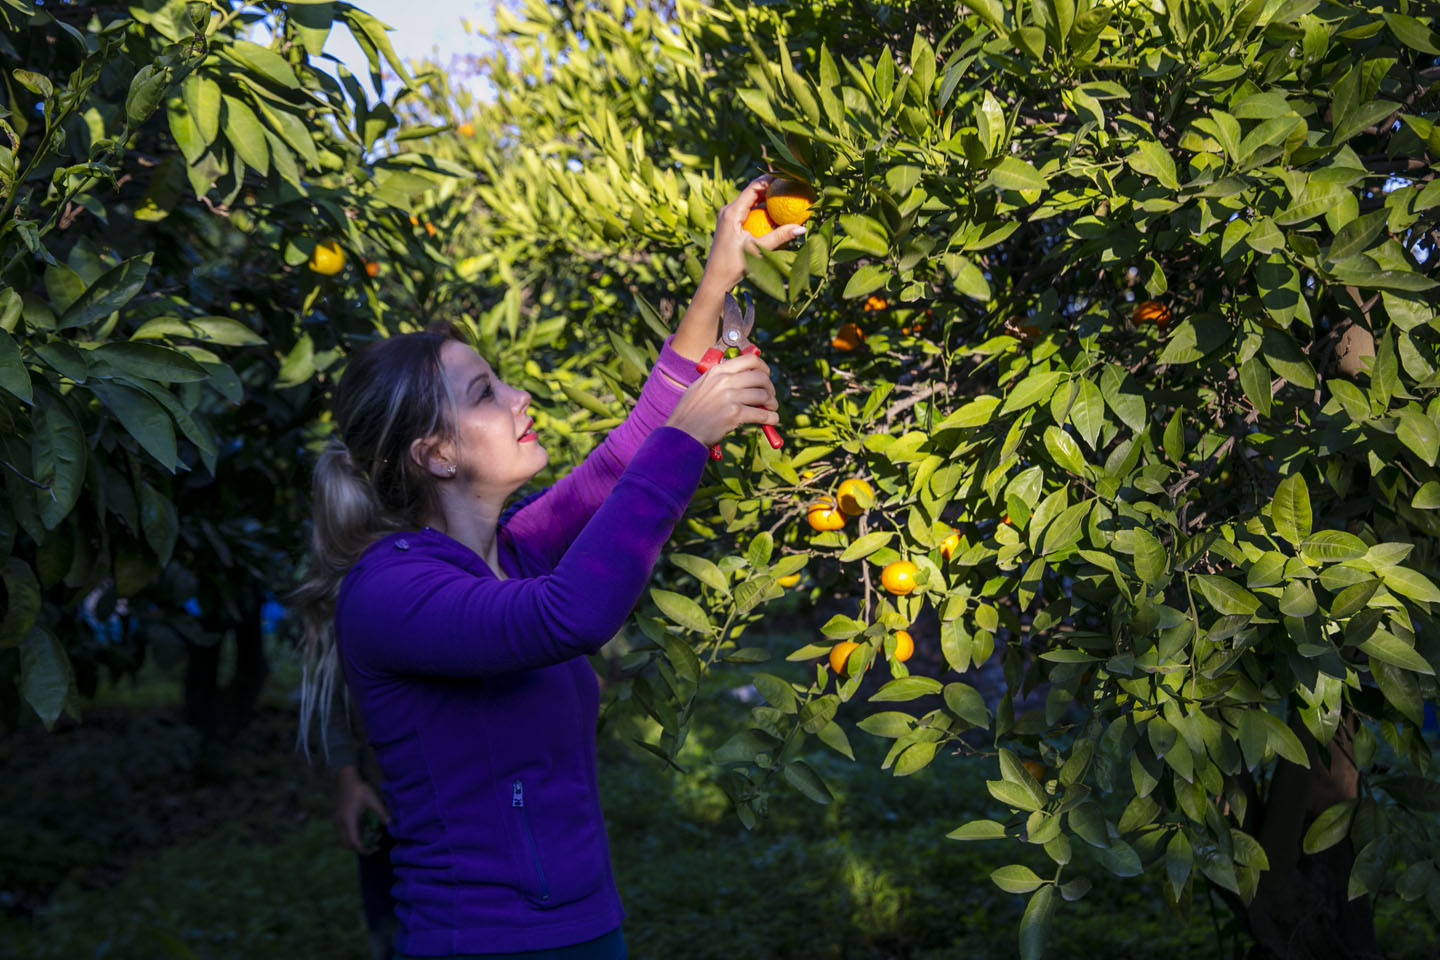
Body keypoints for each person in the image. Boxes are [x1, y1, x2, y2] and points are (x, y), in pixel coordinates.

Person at [293, 175, 803, 959]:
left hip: (589, 926)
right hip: (484, 943)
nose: (521, 395)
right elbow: (572, 613)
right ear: (434, 453)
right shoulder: (389, 591)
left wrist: (717, 283)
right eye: (486, 393)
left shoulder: (510, 553)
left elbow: (622, 458)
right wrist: (688, 436)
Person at [319, 678, 399, 960]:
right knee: (391, 938)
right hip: (383, 803)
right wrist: (347, 776)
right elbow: (328, 683)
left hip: (462, 808)